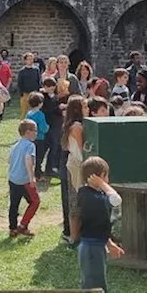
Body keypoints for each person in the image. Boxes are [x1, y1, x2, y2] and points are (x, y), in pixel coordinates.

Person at [72, 156, 125, 293]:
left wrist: (109, 244)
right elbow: (117, 200)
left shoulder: (94, 195)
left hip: (93, 246)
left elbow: (98, 224)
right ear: (100, 176)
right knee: (98, 291)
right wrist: (103, 184)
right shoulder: (89, 195)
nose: (108, 181)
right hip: (91, 249)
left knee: (88, 287)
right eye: (106, 176)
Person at [7, 119, 41, 237]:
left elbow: (9, 160)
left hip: (12, 179)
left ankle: (12, 228)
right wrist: (31, 178)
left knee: (14, 204)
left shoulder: (16, 145)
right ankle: (23, 225)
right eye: (35, 130)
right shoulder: (30, 146)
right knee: (35, 201)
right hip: (24, 180)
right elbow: (28, 160)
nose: (36, 133)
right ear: (28, 132)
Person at [61, 96, 87, 244]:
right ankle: (74, 237)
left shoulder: (74, 124)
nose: (87, 109)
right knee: (76, 201)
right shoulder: (77, 126)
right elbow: (81, 148)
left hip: (76, 164)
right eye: (84, 106)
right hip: (77, 164)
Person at [25, 92, 50, 178]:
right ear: (40, 103)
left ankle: (30, 172)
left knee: (31, 156)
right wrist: (47, 127)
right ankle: (38, 174)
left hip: (29, 139)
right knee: (39, 157)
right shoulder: (40, 115)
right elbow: (43, 128)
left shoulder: (28, 114)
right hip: (39, 138)